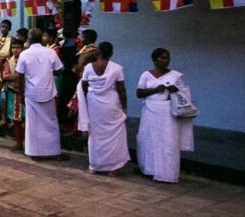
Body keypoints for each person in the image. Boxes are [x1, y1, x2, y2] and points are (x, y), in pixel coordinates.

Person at [136, 48, 194, 183]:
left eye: (167, 58)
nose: (165, 60)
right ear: (155, 60)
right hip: (149, 111)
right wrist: (155, 90)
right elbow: (139, 93)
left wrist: (176, 90)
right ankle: (149, 170)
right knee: (148, 140)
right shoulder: (146, 75)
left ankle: (167, 174)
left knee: (168, 142)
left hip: (167, 114)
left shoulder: (175, 76)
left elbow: (184, 95)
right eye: (162, 58)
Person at [7, 29, 66, 160]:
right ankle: (54, 151)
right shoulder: (50, 52)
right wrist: (46, 72)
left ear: (29, 39)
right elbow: (59, 70)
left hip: (31, 92)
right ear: (42, 39)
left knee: (33, 123)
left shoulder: (24, 54)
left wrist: (22, 93)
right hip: (48, 91)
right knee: (51, 123)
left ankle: (35, 153)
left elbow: (20, 76)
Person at [81, 42, 129, 176]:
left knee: (95, 134)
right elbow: (122, 91)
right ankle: (113, 168)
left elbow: (84, 87)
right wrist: (124, 107)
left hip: (93, 105)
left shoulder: (89, 68)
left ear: (97, 52)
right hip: (111, 105)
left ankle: (95, 166)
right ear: (111, 53)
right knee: (114, 135)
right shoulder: (117, 69)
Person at [3, 38, 26, 151]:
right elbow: (6, 75)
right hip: (13, 92)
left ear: (22, 48)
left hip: (26, 93)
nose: (15, 50)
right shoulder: (8, 61)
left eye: (18, 48)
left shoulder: (26, 59)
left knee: (27, 119)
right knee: (16, 120)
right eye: (13, 48)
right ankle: (19, 142)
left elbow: (14, 76)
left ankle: (30, 144)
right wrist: (11, 76)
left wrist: (11, 76)